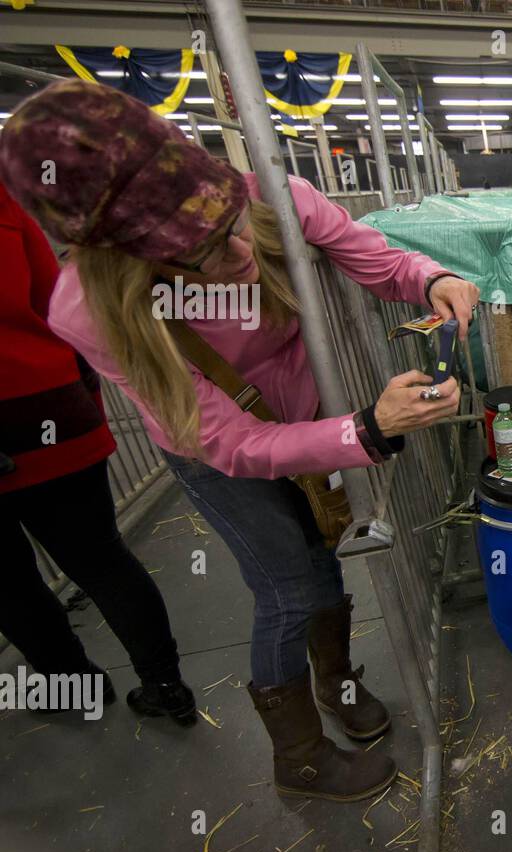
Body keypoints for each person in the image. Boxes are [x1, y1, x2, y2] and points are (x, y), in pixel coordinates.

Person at [0, 80, 478, 803]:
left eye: (228, 219)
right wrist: (367, 430)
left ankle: (336, 679)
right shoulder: (93, 312)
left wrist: (430, 277)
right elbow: (228, 440)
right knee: (287, 584)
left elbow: (369, 255)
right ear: (134, 261)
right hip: (219, 448)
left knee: (324, 555)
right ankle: (301, 756)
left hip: (308, 417)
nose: (240, 250)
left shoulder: (273, 199)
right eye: (200, 250)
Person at [0, 180, 195, 724]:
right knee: (102, 558)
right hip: (51, 408)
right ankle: (165, 684)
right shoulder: (9, 206)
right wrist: (83, 391)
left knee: (9, 582)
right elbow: (53, 301)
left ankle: (71, 685)